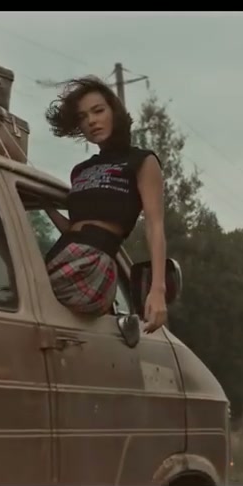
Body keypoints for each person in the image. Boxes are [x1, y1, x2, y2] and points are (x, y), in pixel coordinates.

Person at [40, 76, 169, 333]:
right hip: (62, 254)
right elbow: (74, 227)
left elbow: (155, 226)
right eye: (83, 117)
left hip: (93, 266)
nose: (91, 121)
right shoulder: (81, 170)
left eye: (98, 111)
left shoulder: (142, 161)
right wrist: (44, 204)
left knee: (22, 294)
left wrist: (157, 290)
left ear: (114, 112)